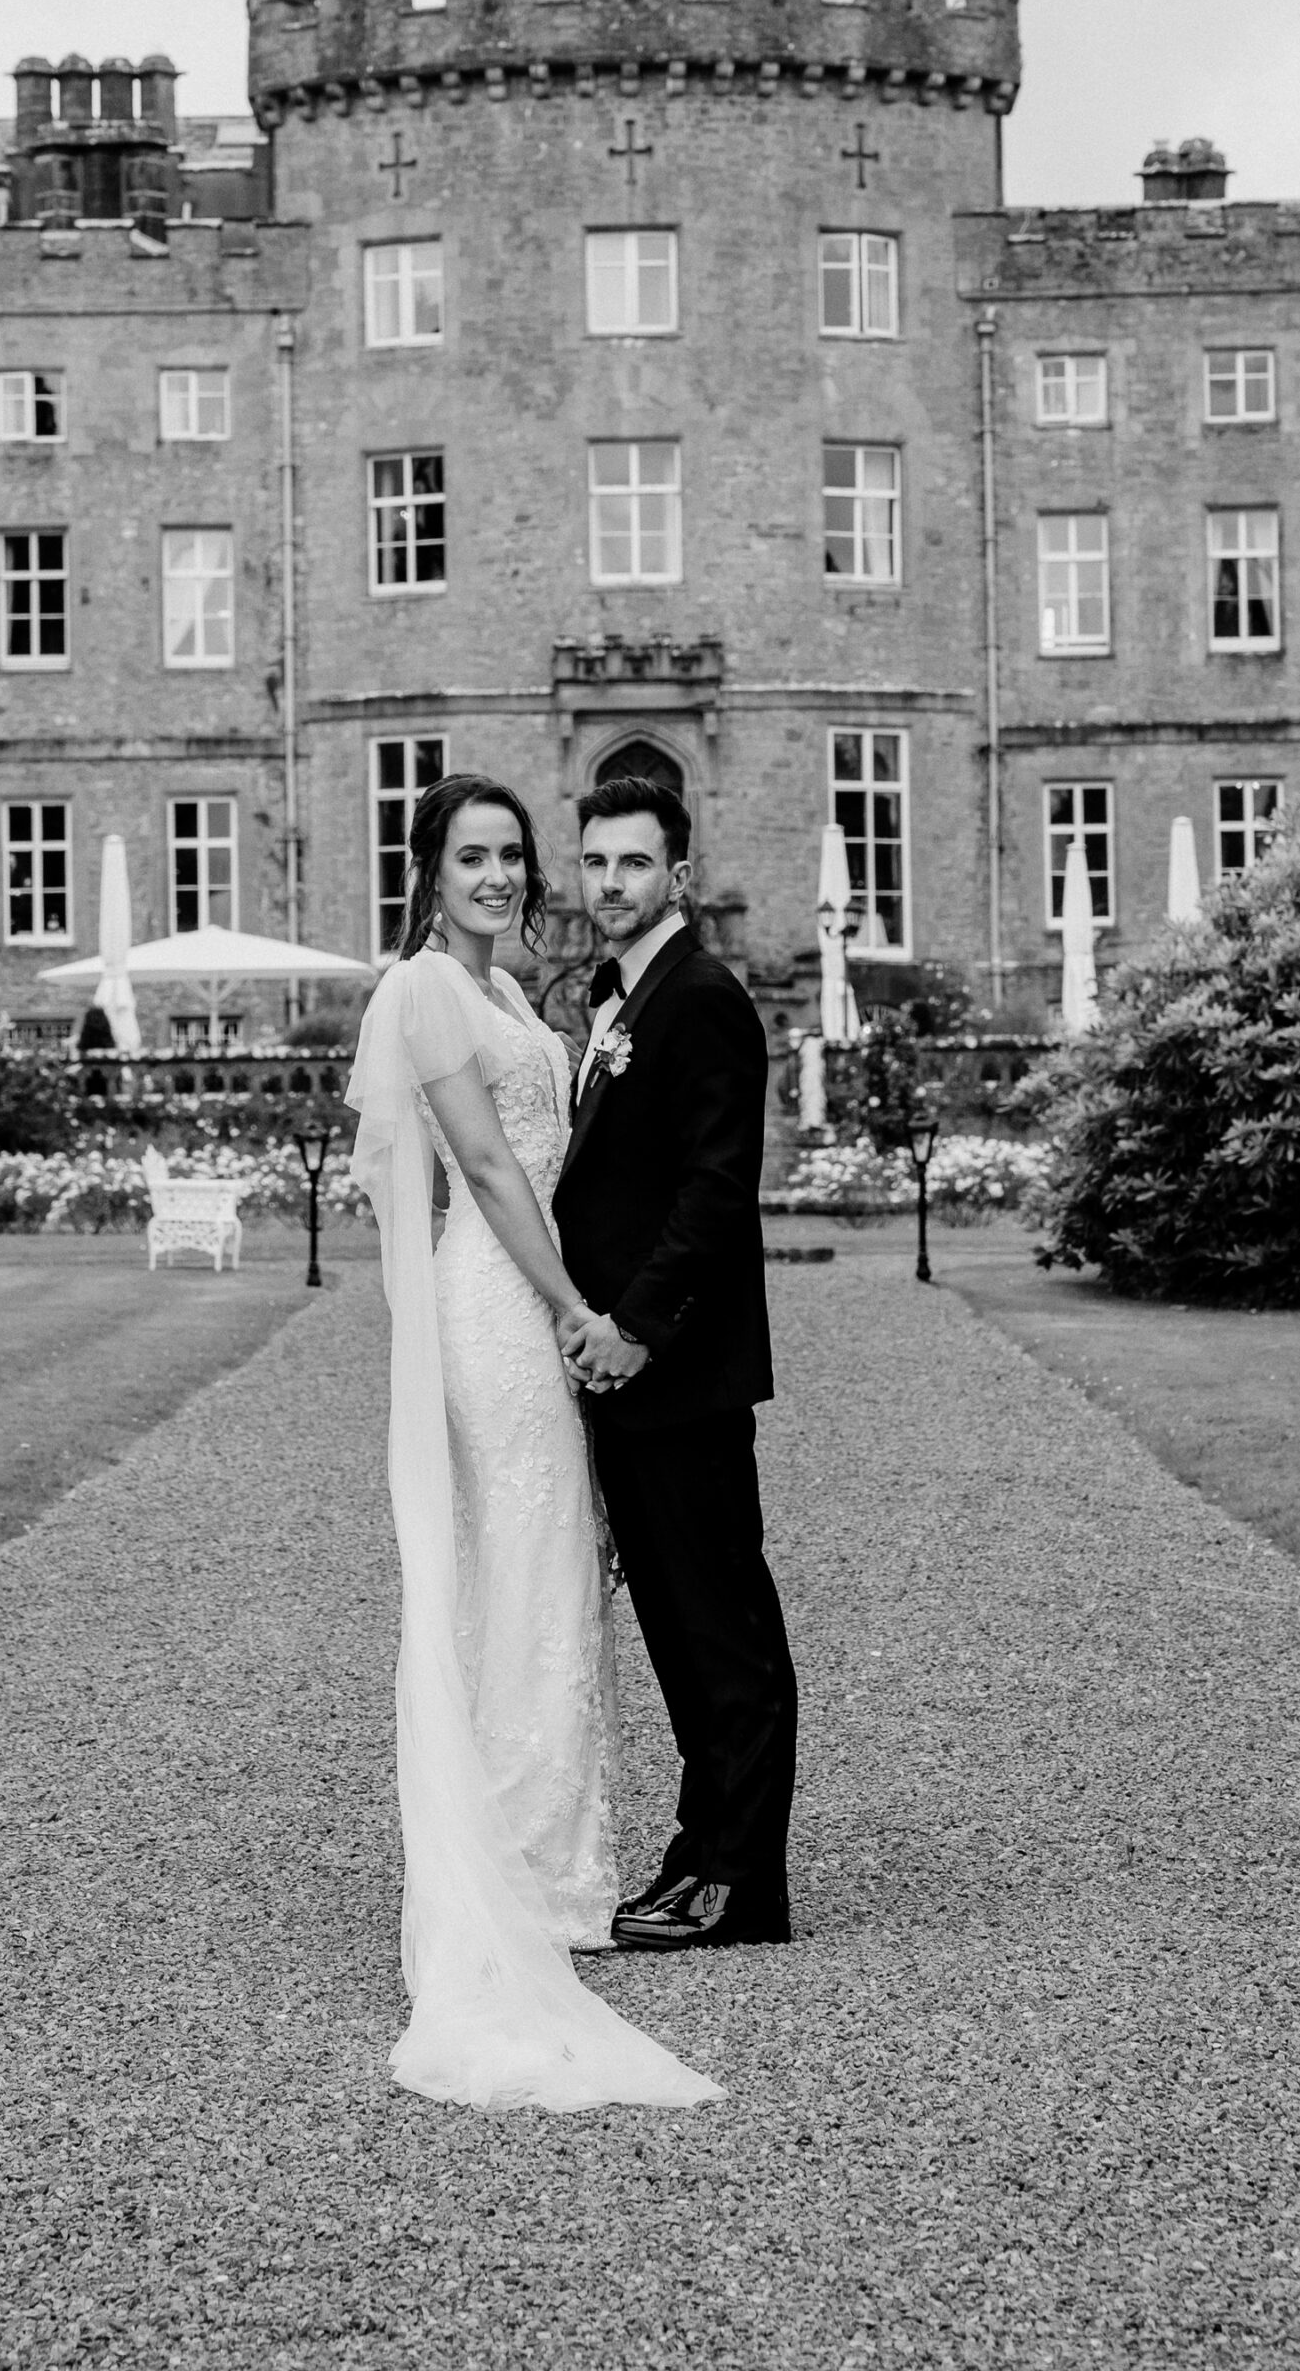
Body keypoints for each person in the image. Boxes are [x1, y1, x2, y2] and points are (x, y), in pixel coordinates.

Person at [347, 771, 720, 2113]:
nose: (498, 876)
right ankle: (503, 1862)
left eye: (510, 855)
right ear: (427, 872)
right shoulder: (424, 991)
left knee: (552, 1555)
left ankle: (545, 1856)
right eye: (471, 858)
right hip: (500, 1304)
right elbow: (493, 1172)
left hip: (538, 1292)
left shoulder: (510, 996)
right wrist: (575, 1308)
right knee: (524, 1546)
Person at [553, 775, 798, 1952]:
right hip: (627, 1378)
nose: (612, 884)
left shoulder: (701, 997)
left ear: (678, 876)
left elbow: (712, 1193)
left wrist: (634, 1327)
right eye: (596, 862)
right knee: (676, 1633)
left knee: (723, 1631)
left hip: (679, 1372)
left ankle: (742, 1884)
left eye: (634, 864)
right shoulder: (618, 995)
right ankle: (699, 1853)